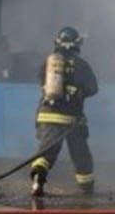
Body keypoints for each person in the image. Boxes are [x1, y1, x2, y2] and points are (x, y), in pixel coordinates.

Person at [30, 26, 99, 197]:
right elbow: (93, 88)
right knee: (80, 154)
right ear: (77, 44)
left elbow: (41, 82)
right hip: (72, 119)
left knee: (45, 153)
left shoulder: (49, 62)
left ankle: (38, 181)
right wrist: (77, 91)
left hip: (47, 115)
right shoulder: (82, 65)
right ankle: (87, 189)